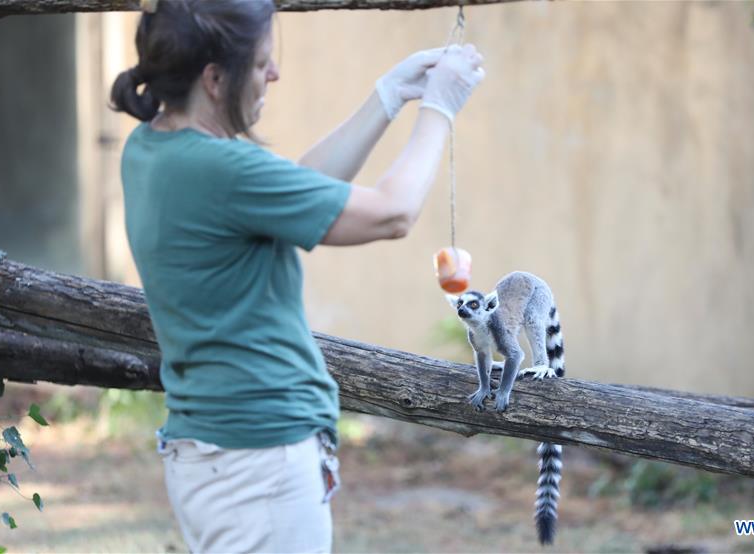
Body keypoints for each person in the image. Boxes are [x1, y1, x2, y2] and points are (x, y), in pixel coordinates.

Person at [109, 0, 485, 552]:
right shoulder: (222, 170)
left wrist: (386, 98)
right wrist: (439, 109)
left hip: (214, 452)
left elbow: (291, 192)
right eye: (263, 63)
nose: (275, 74)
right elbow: (391, 212)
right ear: (214, 79)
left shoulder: (153, 148)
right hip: (258, 463)